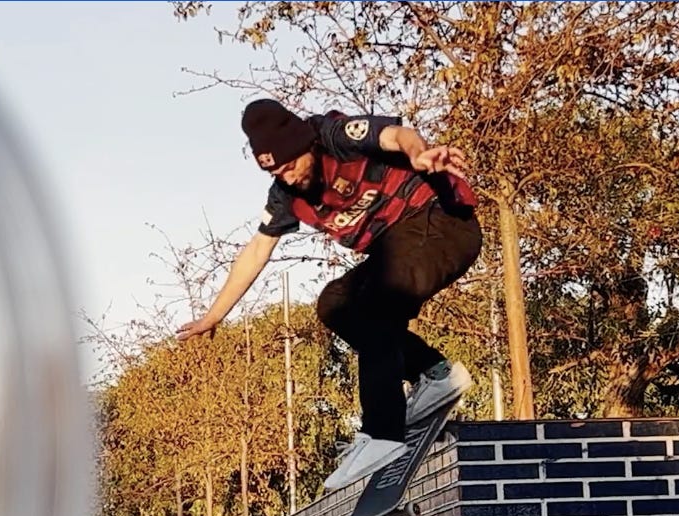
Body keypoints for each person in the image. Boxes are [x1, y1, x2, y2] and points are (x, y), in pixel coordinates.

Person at [177, 98, 482, 491]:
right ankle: (435, 374)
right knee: (337, 303)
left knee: (377, 305)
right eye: (276, 173)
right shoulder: (286, 197)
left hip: (441, 223)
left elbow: (394, 135)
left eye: (290, 166)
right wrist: (213, 316)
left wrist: (419, 153)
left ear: (305, 146)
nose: (287, 178)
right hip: (402, 245)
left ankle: (383, 433)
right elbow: (256, 251)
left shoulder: (335, 137)